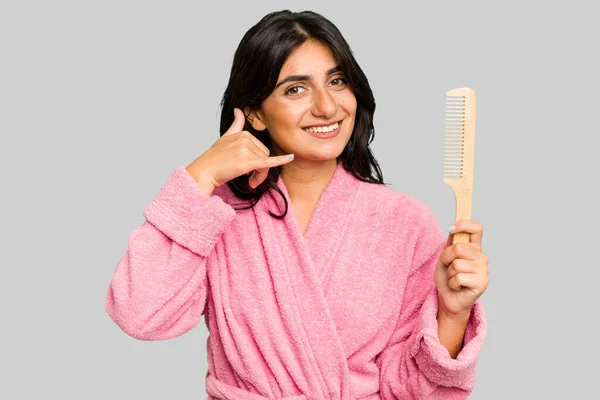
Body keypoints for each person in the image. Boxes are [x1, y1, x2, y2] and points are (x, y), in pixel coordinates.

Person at [105, 9, 489, 400]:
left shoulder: (405, 223)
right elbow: (140, 315)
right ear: (255, 112)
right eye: (295, 89)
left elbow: (410, 389)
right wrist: (200, 176)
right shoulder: (213, 216)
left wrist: (453, 314)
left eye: (337, 81)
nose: (327, 107)